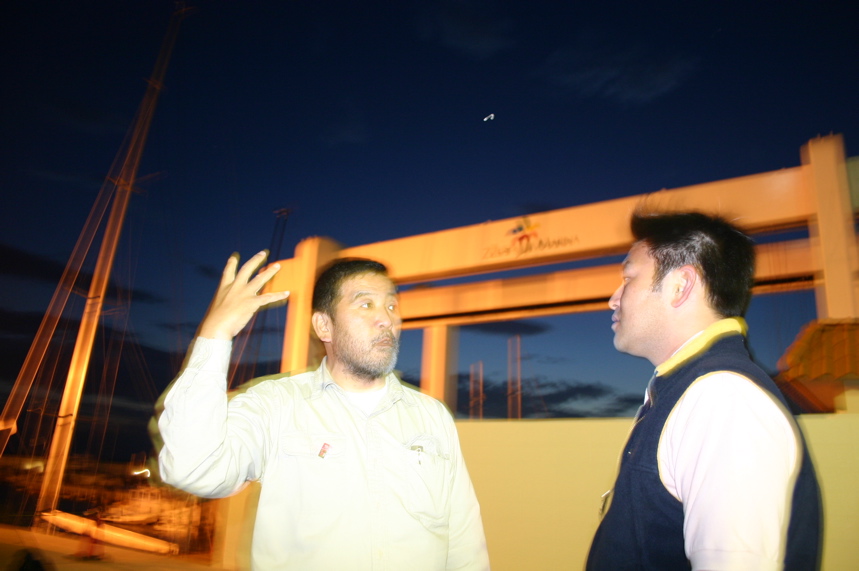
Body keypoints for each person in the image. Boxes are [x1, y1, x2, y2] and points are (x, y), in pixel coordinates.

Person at [155, 252, 489, 570]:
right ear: (324, 326)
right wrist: (215, 334)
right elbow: (193, 468)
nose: (386, 319)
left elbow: (464, 539)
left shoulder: (432, 417)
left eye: (392, 305)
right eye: (366, 304)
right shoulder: (275, 405)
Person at [586, 211, 822, 570]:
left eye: (628, 278)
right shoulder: (688, 390)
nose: (613, 299)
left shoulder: (724, 400)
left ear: (681, 286)